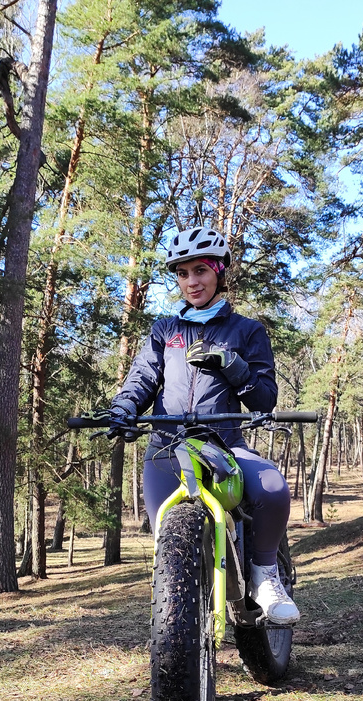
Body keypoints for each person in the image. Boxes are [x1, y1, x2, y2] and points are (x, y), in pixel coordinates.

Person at [108, 226, 300, 625]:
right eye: (182, 273)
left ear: (218, 271)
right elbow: (143, 376)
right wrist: (124, 406)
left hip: (224, 443)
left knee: (273, 488)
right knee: (169, 541)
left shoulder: (247, 330)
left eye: (200, 270)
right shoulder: (165, 329)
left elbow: (264, 398)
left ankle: (266, 575)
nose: (191, 281)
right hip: (167, 447)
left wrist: (233, 365)